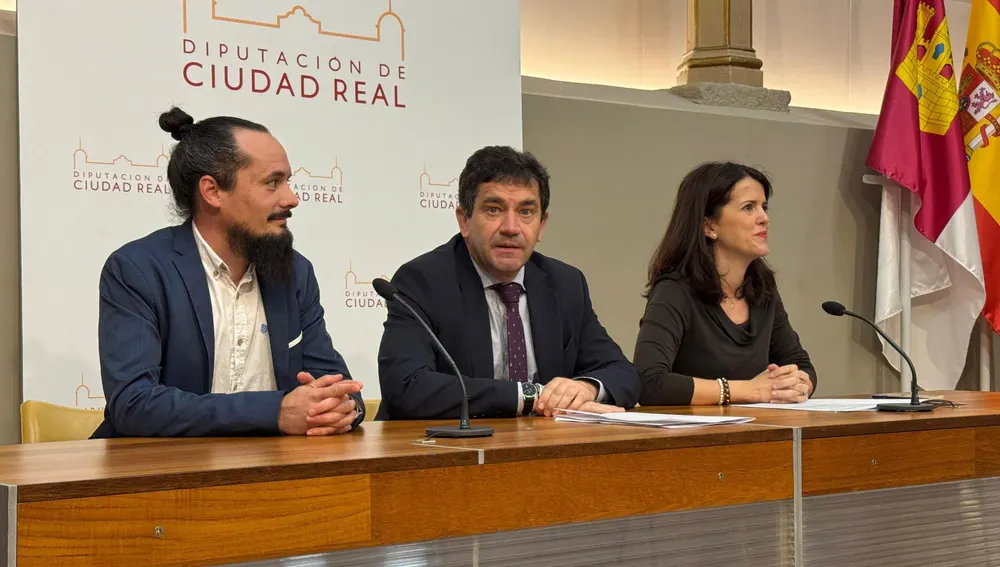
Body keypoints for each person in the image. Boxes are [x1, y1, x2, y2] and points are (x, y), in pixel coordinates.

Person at [92, 107, 364, 438]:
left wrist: (341, 405)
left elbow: (336, 382)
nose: (292, 198)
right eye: (272, 182)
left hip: (273, 472)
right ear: (213, 192)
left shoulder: (296, 272)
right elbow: (134, 405)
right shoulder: (138, 269)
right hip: (160, 476)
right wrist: (274, 412)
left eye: (288, 182)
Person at [376, 145, 640, 420]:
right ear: (464, 220)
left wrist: (585, 389)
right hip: (445, 450)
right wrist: (530, 397)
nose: (511, 227)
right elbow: (406, 387)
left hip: (540, 448)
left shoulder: (565, 284)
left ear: (542, 225)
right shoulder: (423, 281)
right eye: (494, 209)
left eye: (526, 212)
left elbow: (623, 373)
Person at [633, 161, 817, 406]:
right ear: (709, 226)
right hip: (693, 438)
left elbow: (799, 363)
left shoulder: (762, 289)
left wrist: (797, 384)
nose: (764, 218)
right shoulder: (675, 291)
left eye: (764, 207)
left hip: (758, 430)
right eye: (748, 207)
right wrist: (747, 390)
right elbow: (649, 382)